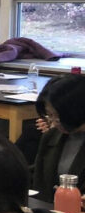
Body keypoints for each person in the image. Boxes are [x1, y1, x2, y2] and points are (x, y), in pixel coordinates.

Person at [31, 74, 85, 203]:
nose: (54, 121)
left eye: (57, 115)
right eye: (49, 115)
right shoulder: (52, 136)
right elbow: (40, 184)